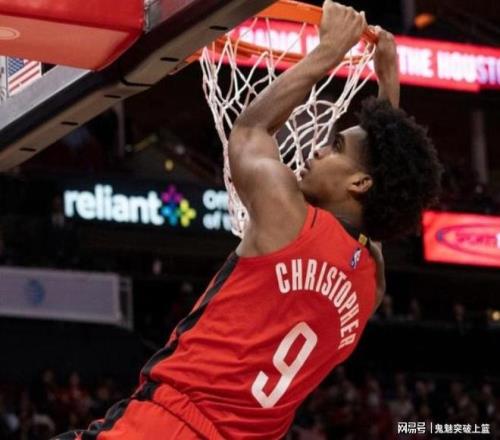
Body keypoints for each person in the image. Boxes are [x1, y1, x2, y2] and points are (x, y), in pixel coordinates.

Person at [55, 1, 442, 439]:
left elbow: (250, 131)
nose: (317, 149)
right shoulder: (371, 282)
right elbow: (383, 191)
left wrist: (328, 52)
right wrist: (389, 91)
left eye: (334, 147)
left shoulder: (289, 218)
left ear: (358, 182)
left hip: (167, 426)